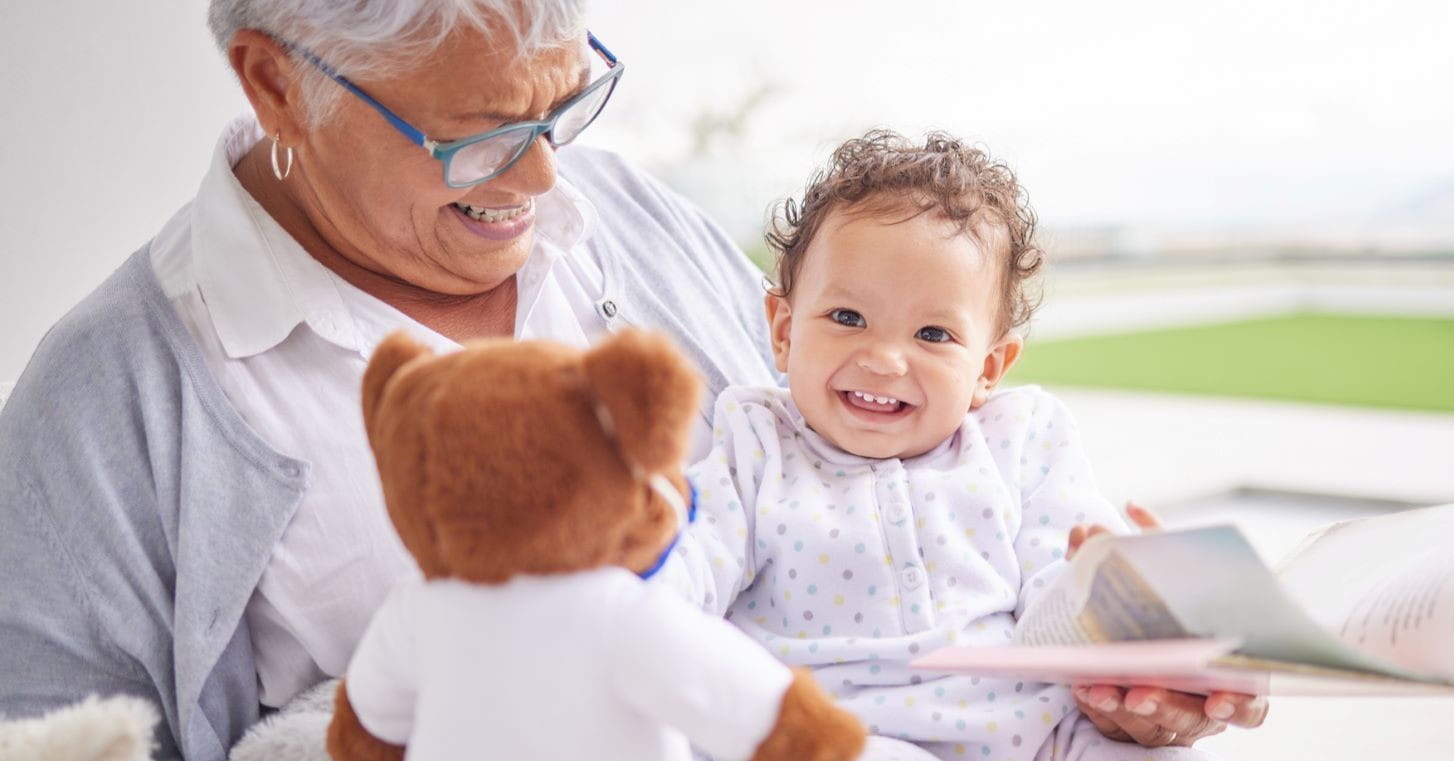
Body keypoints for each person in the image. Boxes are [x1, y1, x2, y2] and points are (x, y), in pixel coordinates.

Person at [0, 1, 1256, 759]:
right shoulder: (113, 405)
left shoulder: (628, 216)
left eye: (565, 103)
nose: (547, 182)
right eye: (481, 133)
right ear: (280, 84)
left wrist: (1120, 675)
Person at [656, 130, 1267, 761]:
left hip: (1036, 734)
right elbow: (694, 559)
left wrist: (1125, 605)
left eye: (932, 333)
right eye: (847, 318)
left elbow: (1060, 576)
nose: (885, 358)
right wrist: (641, 573)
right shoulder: (758, 441)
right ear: (783, 331)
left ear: (989, 368)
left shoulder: (1019, 439)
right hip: (839, 735)